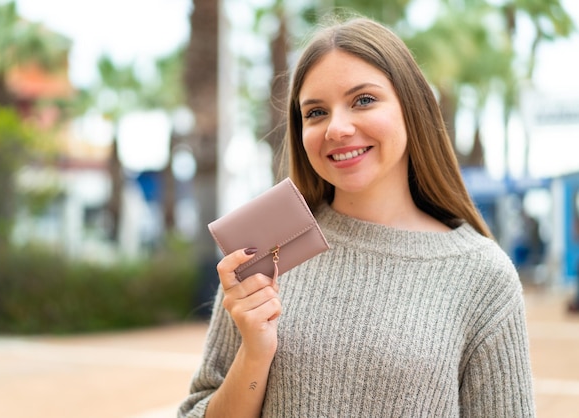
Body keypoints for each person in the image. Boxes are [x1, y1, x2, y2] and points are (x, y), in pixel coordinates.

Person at [178, 16, 535, 417]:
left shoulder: (481, 274)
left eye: (364, 100)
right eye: (315, 112)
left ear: (411, 108)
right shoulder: (270, 245)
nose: (337, 128)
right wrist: (255, 354)